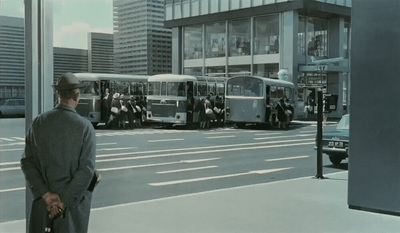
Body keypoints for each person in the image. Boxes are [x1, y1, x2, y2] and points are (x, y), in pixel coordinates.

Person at [21, 72, 96, 233]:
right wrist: (63, 202)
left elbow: (27, 163)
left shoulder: (38, 122)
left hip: (43, 206)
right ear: (76, 95)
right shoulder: (85, 127)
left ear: (57, 94)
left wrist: (47, 196)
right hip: (71, 211)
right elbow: (86, 170)